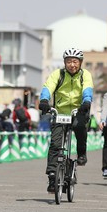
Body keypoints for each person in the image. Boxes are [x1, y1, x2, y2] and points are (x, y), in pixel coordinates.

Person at [39, 48, 93, 192]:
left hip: (78, 110)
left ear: (80, 63)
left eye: (75, 61)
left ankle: (81, 153)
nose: (72, 65)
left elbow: (87, 88)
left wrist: (86, 101)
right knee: (55, 144)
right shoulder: (58, 74)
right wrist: (44, 100)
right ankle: (52, 177)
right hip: (60, 112)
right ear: (64, 63)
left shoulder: (85, 75)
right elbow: (48, 87)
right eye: (68, 61)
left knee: (80, 126)